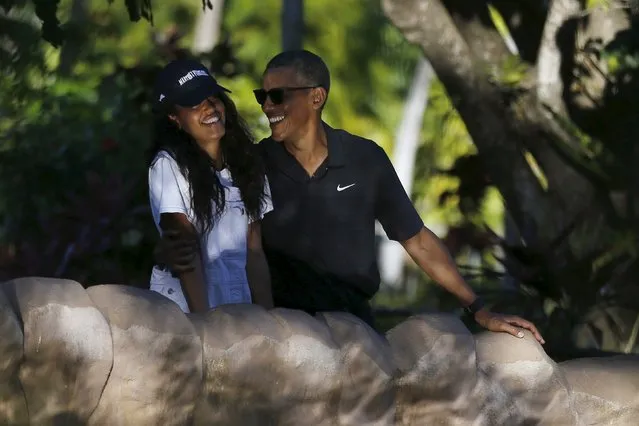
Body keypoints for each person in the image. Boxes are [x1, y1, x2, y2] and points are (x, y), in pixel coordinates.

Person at [160, 50, 544, 344]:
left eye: (277, 96)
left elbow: (418, 240)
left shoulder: (366, 158)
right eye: (263, 96)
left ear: (316, 97)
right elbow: (210, 227)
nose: (267, 107)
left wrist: (479, 309)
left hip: (357, 331)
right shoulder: (253, 164)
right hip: (284, 334)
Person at [147, 58, 273, 313]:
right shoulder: (167, 165)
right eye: (194, 102)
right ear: (174, 117)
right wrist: (203, 324)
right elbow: (185, 252)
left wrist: (271, 320)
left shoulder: (247, 164)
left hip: (237, 309)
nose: (209, 107)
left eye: (212, 97)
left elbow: (255, 252)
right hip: (185, 313)